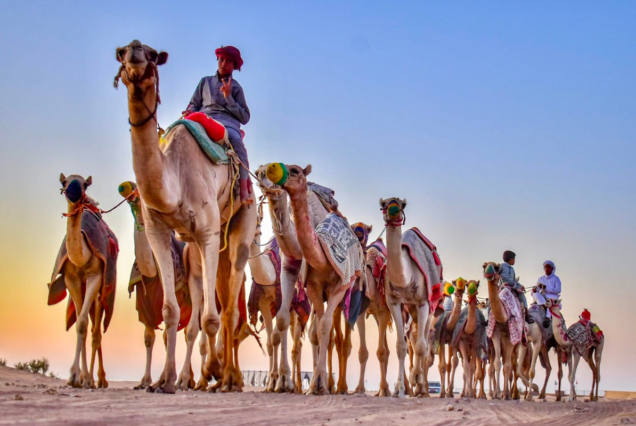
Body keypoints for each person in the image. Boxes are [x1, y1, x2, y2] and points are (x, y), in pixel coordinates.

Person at [184, 45, 252, 204]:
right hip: (202, 118)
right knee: (177, 132)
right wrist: (189, 111)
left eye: (228, 61)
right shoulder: (204, 82)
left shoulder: (236, 88)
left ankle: (243, 186)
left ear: (234, 66)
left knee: (237, 143)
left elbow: (245, 117)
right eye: (221, 59)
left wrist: (229, 98)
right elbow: (194, 104)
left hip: (227, 124)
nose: (223, 63)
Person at [498, 250, 532, 323]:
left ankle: (527, 314)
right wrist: (515, 285)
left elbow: (514, 280)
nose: (514, 261)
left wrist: (520, 286)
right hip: (504, 285)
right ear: (511, 259)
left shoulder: (512, 269)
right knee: (493, 298)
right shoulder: (502, 266)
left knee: (521, 294)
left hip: (513, 286)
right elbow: (504, 277)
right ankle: (489, 315)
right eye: (514, 259)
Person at [532, 260, 561, 328]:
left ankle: (547, 318)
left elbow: (558, 290)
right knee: (536, 295)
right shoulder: (540, 279)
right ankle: (544, 306)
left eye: (548, 267)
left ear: (552, 268)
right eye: (545, 267)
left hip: (552, 298)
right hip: (542, 297)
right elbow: (536, 290)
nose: (546, 269)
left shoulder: (556, 279)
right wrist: (535, 289)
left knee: (549, 302)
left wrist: (546, 287)